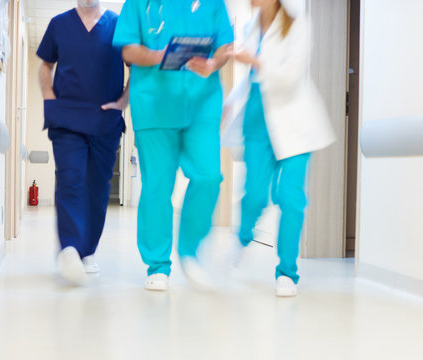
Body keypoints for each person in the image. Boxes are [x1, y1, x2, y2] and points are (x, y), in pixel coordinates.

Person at [113, 0, 234, 291]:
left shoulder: (213, 3)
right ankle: (157, 265)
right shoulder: (138, 5)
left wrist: (213, 64)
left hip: (201, 102)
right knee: (157, 185)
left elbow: (225, 45)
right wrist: (159, 56)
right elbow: (128, 49)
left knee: (208, 176)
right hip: (154, 103)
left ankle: (189, 250)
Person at [222, 0, 335, 296]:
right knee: (256, 195)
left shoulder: (298, 24)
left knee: (291, 198)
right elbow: (249, 81)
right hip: (257, 121)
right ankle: (243, 236)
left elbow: (290, 77)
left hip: (294, 122)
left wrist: (256, 60)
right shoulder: (249, 27)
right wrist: (229, 103)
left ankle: (287, 272)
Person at [37, 0, 129, 284]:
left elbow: (136, 69)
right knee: (71, 177)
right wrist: (50, 98)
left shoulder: (117, 24)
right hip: (66, 119)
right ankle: (70, 248)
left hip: (104, 121)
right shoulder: (59, 24)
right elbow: (45, 66)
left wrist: (122, 103)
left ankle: (87, 250)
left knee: (98, 187)